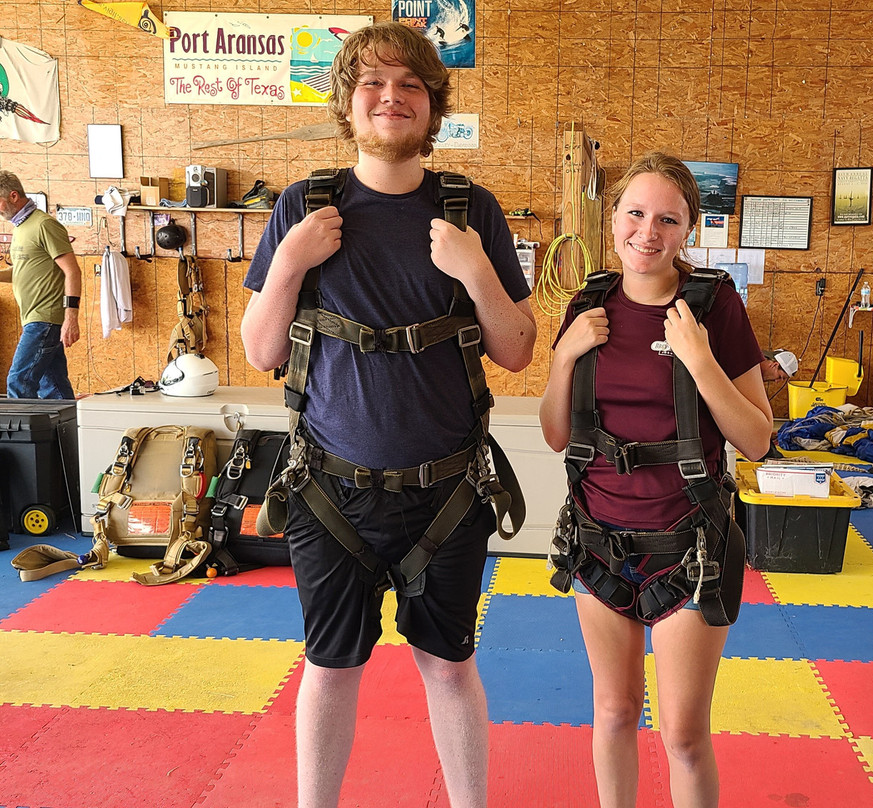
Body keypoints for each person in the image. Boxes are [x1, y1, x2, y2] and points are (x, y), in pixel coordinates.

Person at [240, 22, 535, 808]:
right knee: (330, 664)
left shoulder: (474, 210)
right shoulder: (305, 206)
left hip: (447, 491)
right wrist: (291, 264)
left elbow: (515, 350)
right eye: (372, 83)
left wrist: (476, 272)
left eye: (409, 84)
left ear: (433, 106)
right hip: (330, 488)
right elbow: (261, 350)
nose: (391, 97)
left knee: (449, 663)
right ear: (347, 103)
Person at [539, 152, 772, 807]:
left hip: (690, 546)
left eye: (667, 219)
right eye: (635, 213)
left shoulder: (714, 305)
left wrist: (701, 362)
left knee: (684, 736)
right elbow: (558, 434)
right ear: (611, 220)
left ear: (688, 230)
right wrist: (563, 358)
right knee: (613, 715)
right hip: (599, 541)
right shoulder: (587, 306)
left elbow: (756, 438)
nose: (648, 231)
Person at [0, 171, 80, 399]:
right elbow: (23, 272)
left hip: (44, 319)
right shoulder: (20, 228)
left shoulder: (44, 225)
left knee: (19, 382)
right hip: (35, 319)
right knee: (54, 389)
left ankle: (23, 435)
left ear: (13, 196)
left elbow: (72, 270)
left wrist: (71, 318)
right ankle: (69, 434)